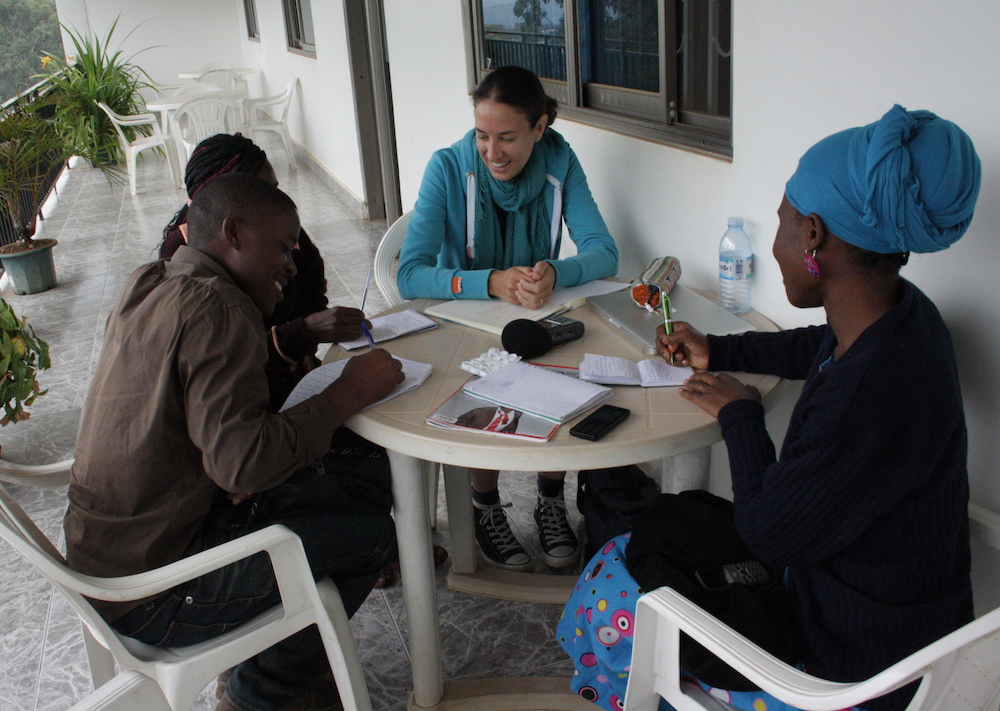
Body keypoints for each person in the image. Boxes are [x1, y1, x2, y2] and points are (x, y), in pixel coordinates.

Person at [559, 104, 981, 711]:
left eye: (783, 221)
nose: (779, 241)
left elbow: (771, 533)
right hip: (903, 622)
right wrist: (720, 349)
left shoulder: (865, 401)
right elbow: (821, 342)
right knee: (668, 526)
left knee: (617, 587)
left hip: (846, 674)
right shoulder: (905, 320)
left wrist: (741, 413)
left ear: (813, 236)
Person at [65, 173, 405, 711]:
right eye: (283, 247)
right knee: (372, 535)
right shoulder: (221, 309)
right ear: (233, 233)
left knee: (341, 478)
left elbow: (211, 437)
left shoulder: (150, 280)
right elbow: (242, 466)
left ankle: (294, 657)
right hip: (159, 593)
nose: (291, 265)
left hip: (106, 561)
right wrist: (349, 392)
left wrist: (237, 463)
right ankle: (256, 694)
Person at [398, 65, 619, 571]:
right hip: (463, 323)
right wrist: (489, 280)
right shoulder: (449, 168)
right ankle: (484, 506)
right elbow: (411, 273)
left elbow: (604, 252)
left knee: (565, 365)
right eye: (482, 135)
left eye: (507, 137)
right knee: (486, 381)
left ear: (540, 128)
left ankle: (549, 498)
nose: (492, 152)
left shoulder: (560, 162)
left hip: (529, 317)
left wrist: (555, 272)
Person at [161, 132, 366, 411]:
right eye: (259, 190)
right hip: (246, 398)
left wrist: (304, 349)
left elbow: (310, 287)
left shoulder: (277, 228)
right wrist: (298, 335)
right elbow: (226, 367)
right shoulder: (184, 269)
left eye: (275, 190)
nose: (273, 200)